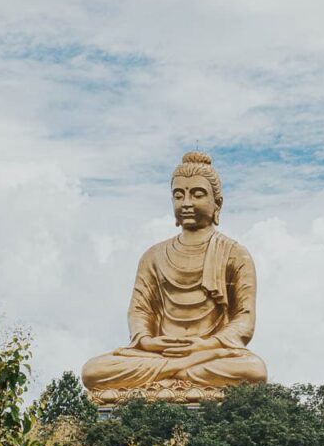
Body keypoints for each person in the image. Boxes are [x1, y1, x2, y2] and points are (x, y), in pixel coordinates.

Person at [81, 151, 267, 398]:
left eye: (197, 194)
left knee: (253, 370)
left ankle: (166, 378)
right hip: (160, 353)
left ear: (217, 203)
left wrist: (208, 345)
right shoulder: (154, 255)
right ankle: (180, 374)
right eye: (179, 195)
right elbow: (140, 311)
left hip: (210, 350)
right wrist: (147, 341)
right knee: (92, 371)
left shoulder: (235, 254)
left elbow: (244, 321)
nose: (186, 203)